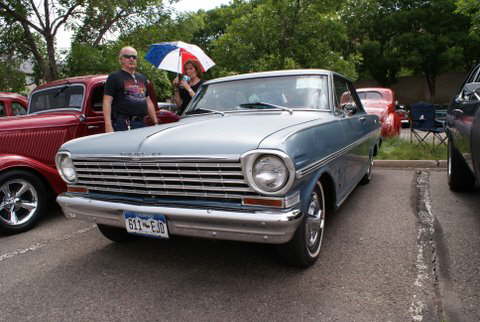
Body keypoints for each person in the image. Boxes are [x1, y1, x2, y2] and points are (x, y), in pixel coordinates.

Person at [103, 46, 158, 132]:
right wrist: (108, 125)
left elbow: (148, 101)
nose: (131, 59)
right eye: (127, 57)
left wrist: (155, 122)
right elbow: (107, 101)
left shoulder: (142, 77)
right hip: (123, 124)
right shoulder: (114, 77)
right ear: (120, 60)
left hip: (142, 123)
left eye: (134, 57)